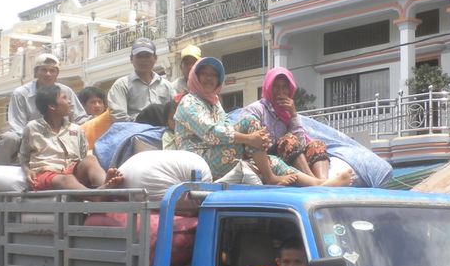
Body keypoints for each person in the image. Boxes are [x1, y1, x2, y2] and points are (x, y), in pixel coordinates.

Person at [174, 57, 353, 188]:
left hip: (241, 152)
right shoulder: (189, 101)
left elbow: (301, 141)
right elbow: (211, 132)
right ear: (195, 77)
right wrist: (250, 139)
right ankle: (272, 178)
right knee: (251, 124)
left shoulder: (214, 104)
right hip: (200, 159)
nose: (209, 78)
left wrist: (292, 115)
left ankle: (320, 184)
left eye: (213, 75)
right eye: (203, 74)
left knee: (274, 161)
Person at [19, 84, 122, 193]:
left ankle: (106, 186)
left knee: (90, 160)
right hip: (45, 174)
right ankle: (96, 195)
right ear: (52, 106)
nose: (69, 102)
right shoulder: (32, 127)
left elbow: (82, 157)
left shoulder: (76, 129)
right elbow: (24, 157)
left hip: (72, 172)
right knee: (67, 179)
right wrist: (27, 171)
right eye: (64, 98)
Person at [0, 53, 88, 165]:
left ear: (57, 74)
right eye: (44, 70)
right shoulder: (20, 93)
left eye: (52, 71)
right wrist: (39, 139)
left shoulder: (66, 91)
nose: (48, 74)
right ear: (36, 73)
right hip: (27, 136)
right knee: (9, 138)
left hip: (61, 135)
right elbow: (18, 126)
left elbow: (80, 118)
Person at [242, 67, 332, 180]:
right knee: (288, 140)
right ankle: (315, 183)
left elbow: (301, 145)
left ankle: (323, 181)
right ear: (268, 87)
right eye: (276, 86)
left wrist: (293, 115)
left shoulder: (288, 113)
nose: (280, 91)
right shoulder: (256, 109)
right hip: (264, 159)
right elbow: (250, 141)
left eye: (284, 87)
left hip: (289, 159)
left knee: (317, 145)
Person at [107, 37, 174, 122]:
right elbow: (119, 117)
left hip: (164, 131)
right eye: (139, 56)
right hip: (135, 132)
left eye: (147, 56)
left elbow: (175, 112)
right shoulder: (121, 85)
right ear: (131, 58)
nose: (143, 60)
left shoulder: (167, 86)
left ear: (155, 58)